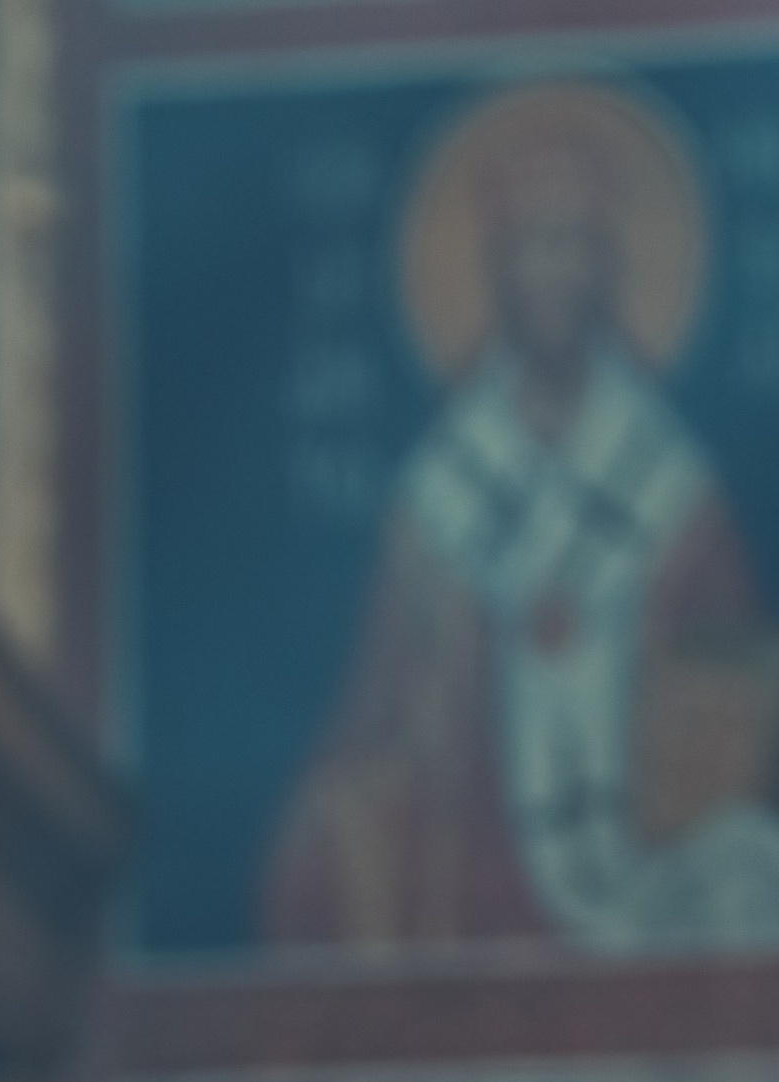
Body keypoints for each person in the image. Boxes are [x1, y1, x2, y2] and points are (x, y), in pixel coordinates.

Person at [265, 85, 779, 956]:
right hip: (475, 848)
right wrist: (412, 733)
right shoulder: (441, 494)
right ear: (497, 270)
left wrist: (689, 741)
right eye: (534, 247)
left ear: (606, 267)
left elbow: (734, 698)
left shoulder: (670, 487)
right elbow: (376, 707)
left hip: (652, 850)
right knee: (312, 855)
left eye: (574, 245)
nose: (555, 273)